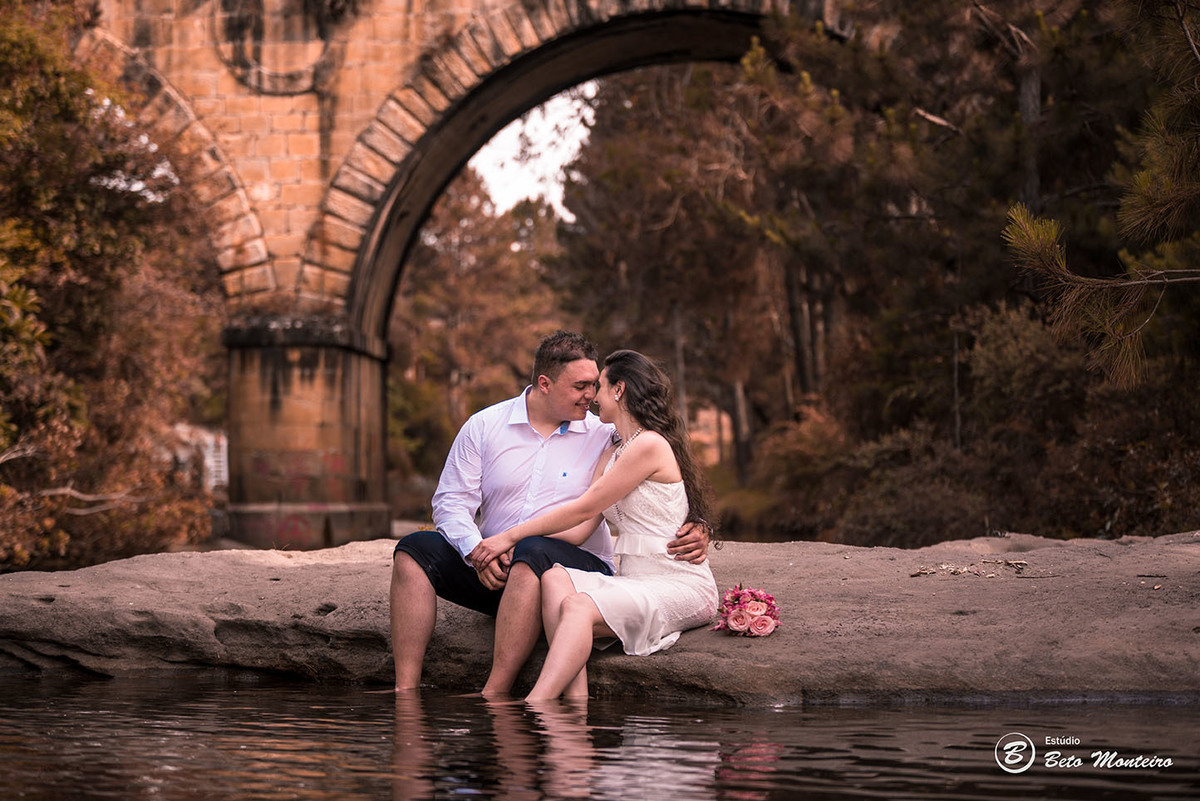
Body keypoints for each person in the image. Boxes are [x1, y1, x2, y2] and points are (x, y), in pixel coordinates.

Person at [390, 331, 710, 695]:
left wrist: (697, 521)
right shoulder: (484, 426)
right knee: (414, 548)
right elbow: (449, 502)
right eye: (580, 386)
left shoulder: (604, 432)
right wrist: (475, 551)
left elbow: (667, 476)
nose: (590, 396)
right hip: (495, 565)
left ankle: (496, 693)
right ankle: (406, 692)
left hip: (571, 565)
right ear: (545, 383)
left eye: (594, 386)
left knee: (533, 550)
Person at [468, 349, 719, 701]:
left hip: (677, 582)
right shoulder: (613, 452)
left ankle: (537, 703)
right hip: (635, 581)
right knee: (555, 576)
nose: (592, 396)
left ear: (619, 390)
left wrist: (508, 535)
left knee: (577, 606)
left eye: (598, 385)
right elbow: (582, 526)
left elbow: (582, 506)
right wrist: (513, 546)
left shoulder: (648, 445)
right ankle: (576, 703)